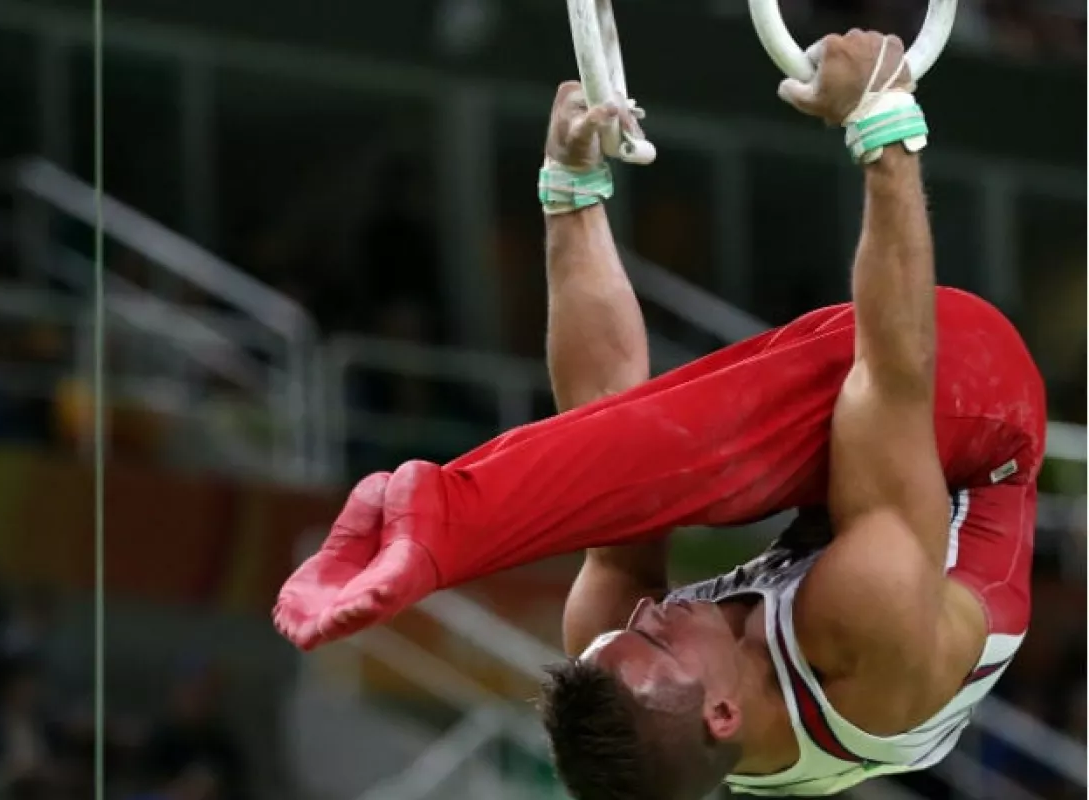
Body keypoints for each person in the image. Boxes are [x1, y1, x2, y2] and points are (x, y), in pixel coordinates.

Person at [275, 30, 1045, 798]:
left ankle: (452, 519)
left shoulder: (620, 657)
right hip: (981, 427)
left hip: (847, 480)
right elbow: (894, 381)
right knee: (755, 434)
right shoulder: (860, 636)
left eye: (631, 628)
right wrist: (884, 121)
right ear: (720, 713)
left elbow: (607, 423)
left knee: (640, 490)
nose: (649, 611)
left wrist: (570, 194)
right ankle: (450, 520)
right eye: (655, 636)